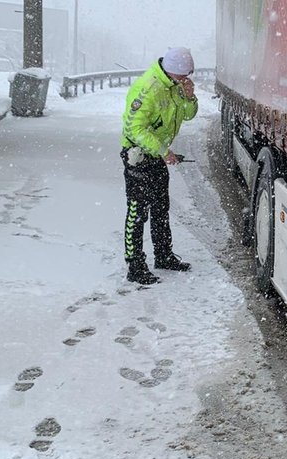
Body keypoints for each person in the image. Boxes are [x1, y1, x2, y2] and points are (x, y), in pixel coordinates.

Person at [121, 47, 198, 284]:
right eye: (183, 76)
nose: (186, 80)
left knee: (161, 208)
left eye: (188, 76)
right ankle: (135, 265)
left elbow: (188, 115)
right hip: (138, 155)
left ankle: (163, 255)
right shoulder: (149, 88)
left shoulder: (174, 86)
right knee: (137, 211)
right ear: (172, 70)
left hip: (155, 154)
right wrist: (163, 151)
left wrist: (189, 97)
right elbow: (134, 128)